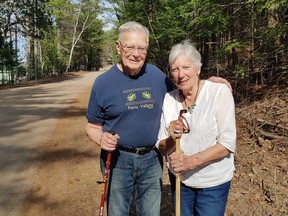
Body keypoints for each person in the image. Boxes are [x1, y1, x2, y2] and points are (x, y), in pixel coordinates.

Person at [85, 21, 232, 216]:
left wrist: (208, 82)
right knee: (117, 211)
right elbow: (92, 126)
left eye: (141, 48)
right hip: (119, 159)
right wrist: (101, 138)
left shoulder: (156, 75)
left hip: (152, 159)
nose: (136, 54)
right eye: (130, 47)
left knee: (151, 212)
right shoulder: (102, 83)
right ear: (118, 46)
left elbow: (184, 83)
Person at [156, 40, 236, 216]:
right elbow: (162, 148)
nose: (180, 74)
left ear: (198, 69)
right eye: (175, 69)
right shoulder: (170, 99)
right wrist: (171, 138)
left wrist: (191, 161)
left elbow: (227, 144)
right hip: (180, 180)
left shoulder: (218, 93)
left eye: (186, 67)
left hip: (212, 183)